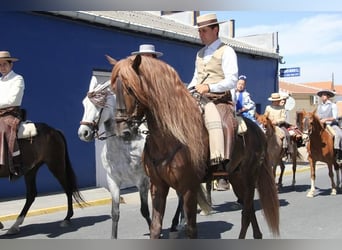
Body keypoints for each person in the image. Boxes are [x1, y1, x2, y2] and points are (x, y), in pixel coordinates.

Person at [188, 13, 238, 191]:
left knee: (223, 123)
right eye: (199, 31)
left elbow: (232, 80)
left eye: (204, 31)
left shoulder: (227, 51)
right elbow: (196, 78)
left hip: (219, 99)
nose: (201, 34)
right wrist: (186, 90)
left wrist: (209, 87)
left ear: (215, 30)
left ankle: (221, 169)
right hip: (199, 98)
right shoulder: (200, 53)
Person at [0, 51, 25, 178]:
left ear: (11, 65)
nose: (2, 67)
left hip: (11, 114)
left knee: (3, 129)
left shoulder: (17, 79)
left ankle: (15, 163)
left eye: (4, 64)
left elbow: (13, 100)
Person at [316, 89, 342, 164]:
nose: (322, 96)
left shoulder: (333, 105)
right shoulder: (319, 106)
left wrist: (325, 119)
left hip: (331, 124)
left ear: (328, 96)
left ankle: (338, 153)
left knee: (339, 135)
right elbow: (317, 116)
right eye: (322, 95)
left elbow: (335, 117)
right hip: (321, 125)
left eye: (324, 95)